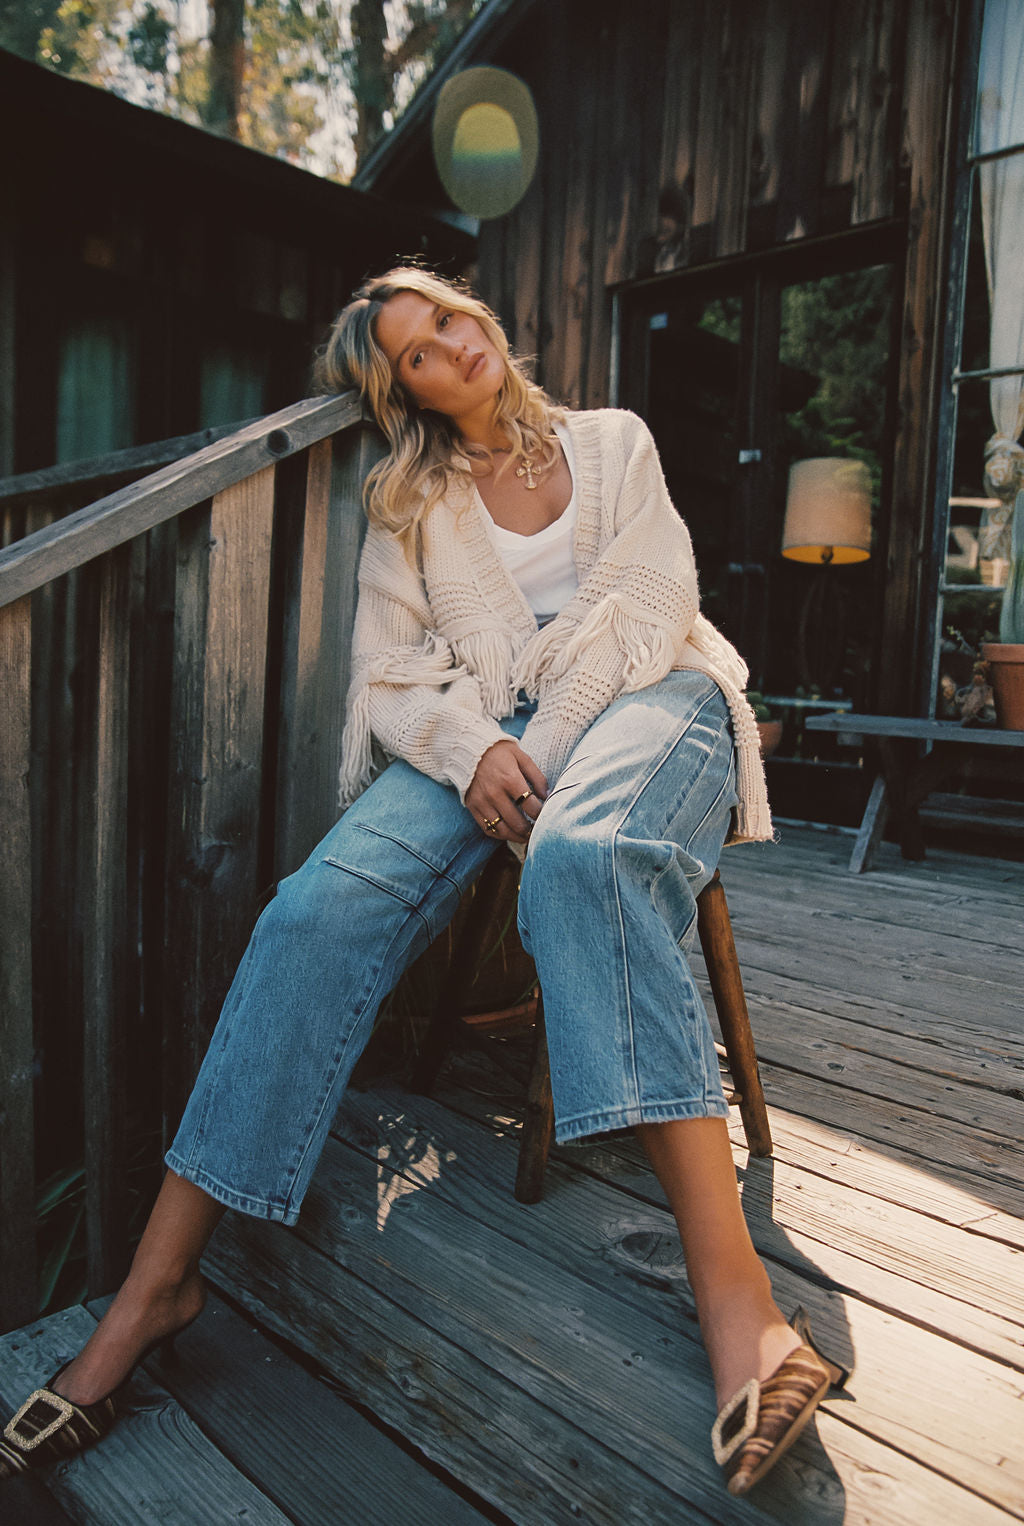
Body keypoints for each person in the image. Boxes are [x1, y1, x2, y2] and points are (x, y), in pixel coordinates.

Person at [1, 267, 845, 1497]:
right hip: (479, 732)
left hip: (654, 694)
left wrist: (533, 756)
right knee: (312, 911)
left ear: (479, 318)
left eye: (447, 317)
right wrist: (474, 750)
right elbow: (391, 678)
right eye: (413, 353)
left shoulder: (616, 443)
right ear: (400, 394)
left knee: (586, 853)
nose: (448, 347)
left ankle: (741, 1303)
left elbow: (648, 609)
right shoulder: (414, 507)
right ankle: (152, 1288)